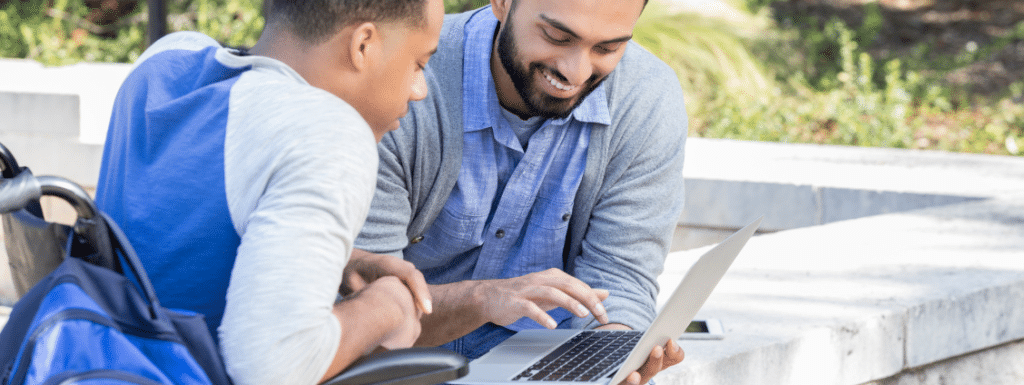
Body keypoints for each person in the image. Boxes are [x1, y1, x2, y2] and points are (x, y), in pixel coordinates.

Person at [94, 0, 444, 384]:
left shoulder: (163, 62)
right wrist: (386, 308)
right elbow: (272, 368)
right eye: (419, 63)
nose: (419, 91)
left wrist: (339, 261)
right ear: (363, 45)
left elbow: (173, 235)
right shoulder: (326, 130)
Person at [350, 0, 688, 384]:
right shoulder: (403, 76)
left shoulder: (645, 98)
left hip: (548, 363)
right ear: (502, 3)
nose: (575, 71)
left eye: (607, 49)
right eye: (557, 37)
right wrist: (479, 300)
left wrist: (610, 359)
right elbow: (358, 305)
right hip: (397, 367)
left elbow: (620, 280)